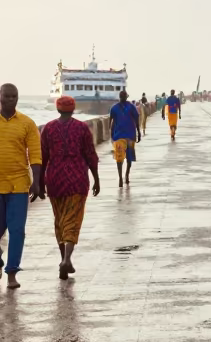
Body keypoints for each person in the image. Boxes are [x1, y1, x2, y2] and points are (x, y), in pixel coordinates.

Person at [40, 97, 100, 279]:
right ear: (73, 110)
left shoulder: (48, 128)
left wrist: (40, 182)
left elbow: (42, 158)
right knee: (72, 221)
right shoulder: (82, 128)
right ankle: (67, 259)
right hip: (77, 180)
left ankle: (63, 260)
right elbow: (91, 155)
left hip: (55, 180)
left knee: (60, 220)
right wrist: (97, 179)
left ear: (58, 110)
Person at [0, 83, 42, 290]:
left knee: (17, 231)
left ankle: (12, 273)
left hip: (18, 186)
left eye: (14, 96)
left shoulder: (27, 123)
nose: (11, 100)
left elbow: (35, 154)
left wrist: (37, 182)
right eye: (7, 96)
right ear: (0, 96)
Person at [109, 90, 141, 186]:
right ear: (126, 97)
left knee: (120, 159)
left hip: (119, 136)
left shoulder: (114, 108)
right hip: (129, 136)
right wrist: (138, 132)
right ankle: (126, 175)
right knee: (128, 158)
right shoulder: (131, 107)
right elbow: (136, 119)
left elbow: (110, 123)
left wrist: (111, 135)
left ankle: (121, 177)